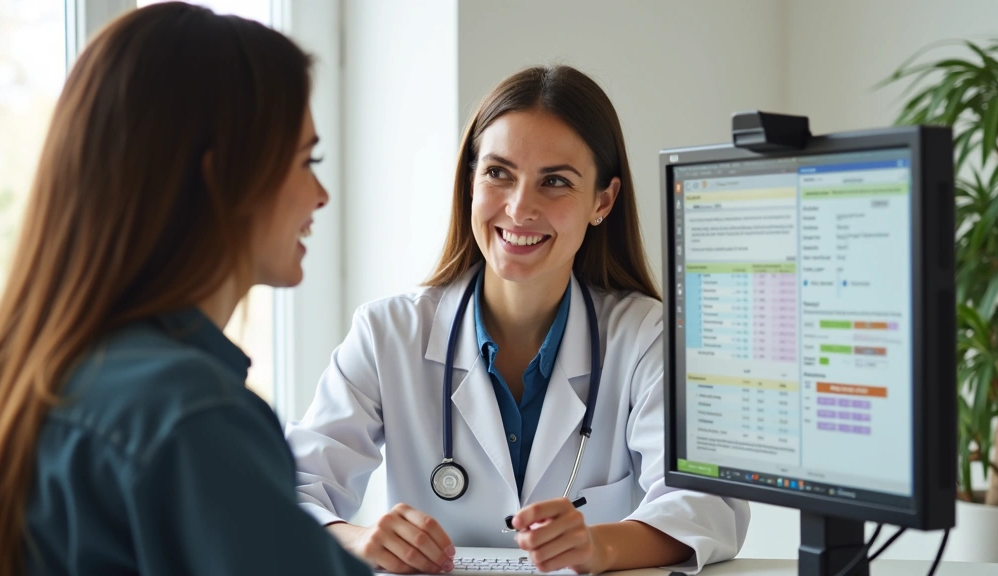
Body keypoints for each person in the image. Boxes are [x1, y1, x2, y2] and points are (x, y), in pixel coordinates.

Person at [286, 65, 750, 575]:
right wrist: (358, 541)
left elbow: (709, 504)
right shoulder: (387, 335)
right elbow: (290, 492)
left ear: (602, 200)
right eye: (498, 173)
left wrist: (600, 547)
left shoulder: (647, 337)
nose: (519, 207)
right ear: (471, 181)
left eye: (555, 181)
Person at [0, 4, 372, 576]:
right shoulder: (191, 414)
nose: (320, 194)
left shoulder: (40, 373)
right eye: (306, 160)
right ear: (223, 178)